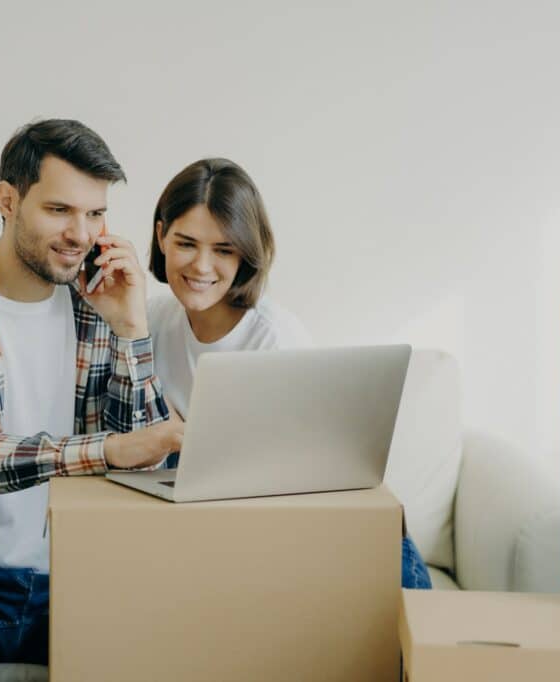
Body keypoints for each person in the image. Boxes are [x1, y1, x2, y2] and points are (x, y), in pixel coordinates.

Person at [0, 119, 184, 668]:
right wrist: (105, 450)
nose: (82, 234)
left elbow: (151, 463)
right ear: (7, 200)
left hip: (84, 579)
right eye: (59, 210)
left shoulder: (101, 304)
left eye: (96, 214)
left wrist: (132, 332)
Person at [146, 158, 432, 589]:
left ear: (247, 253)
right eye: (187, 243)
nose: (202, 267)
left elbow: (294, 487)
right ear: (160, 235)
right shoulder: (151, 321)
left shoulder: (274, 337)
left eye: (224, 250)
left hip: (342, 534)